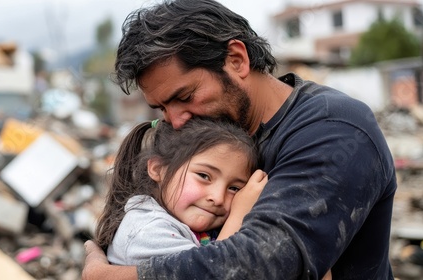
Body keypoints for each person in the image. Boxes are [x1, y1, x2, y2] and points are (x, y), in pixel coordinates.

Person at [82, 0, 397, 279]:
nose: (176, 121)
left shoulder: (333, 129)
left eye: (185, 96)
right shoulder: (220, 144)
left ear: (236, 60)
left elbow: (262, 264)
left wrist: (109, 276)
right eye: (163, 108)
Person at [96, 117, 266, 265]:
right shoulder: (147, 232)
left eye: (234, 188)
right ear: (158, 169)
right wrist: (239, 214)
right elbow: (214, 271)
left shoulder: (189, 224)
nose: (218, 198)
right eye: (204, 176)